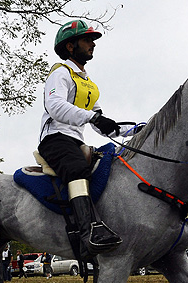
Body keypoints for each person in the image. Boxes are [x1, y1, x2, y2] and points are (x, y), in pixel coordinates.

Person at [38, 20, 136, 260]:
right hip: (55, 139)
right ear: (70, 46)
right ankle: (89, 234)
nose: (93, 44)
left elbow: (102, 124)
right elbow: (55, 106)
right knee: (77, 169)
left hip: (76, 141)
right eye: (87, 40)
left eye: (92, 40)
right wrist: (93, 117)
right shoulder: (60, 73)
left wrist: (134, 130)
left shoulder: (87, 84)